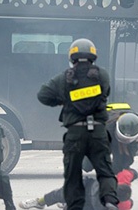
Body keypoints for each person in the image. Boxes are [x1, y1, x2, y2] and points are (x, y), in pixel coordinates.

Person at [37, 38, 119, 210]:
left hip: (75, 133)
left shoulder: (63, 78)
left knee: (73, 175)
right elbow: (107, 91)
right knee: (104, 170)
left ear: (72, 57)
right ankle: (110, 201)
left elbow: (43, 95)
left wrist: (62, 100)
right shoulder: (102, 75)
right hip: (98, 131)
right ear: (93, 56)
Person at [19, 105, 138, 210]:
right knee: (86, 165)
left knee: (120, 165)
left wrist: (123, 172)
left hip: (85, 193)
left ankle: (57, 201)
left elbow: (129, 162)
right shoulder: (104, 127)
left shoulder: (137, 131)